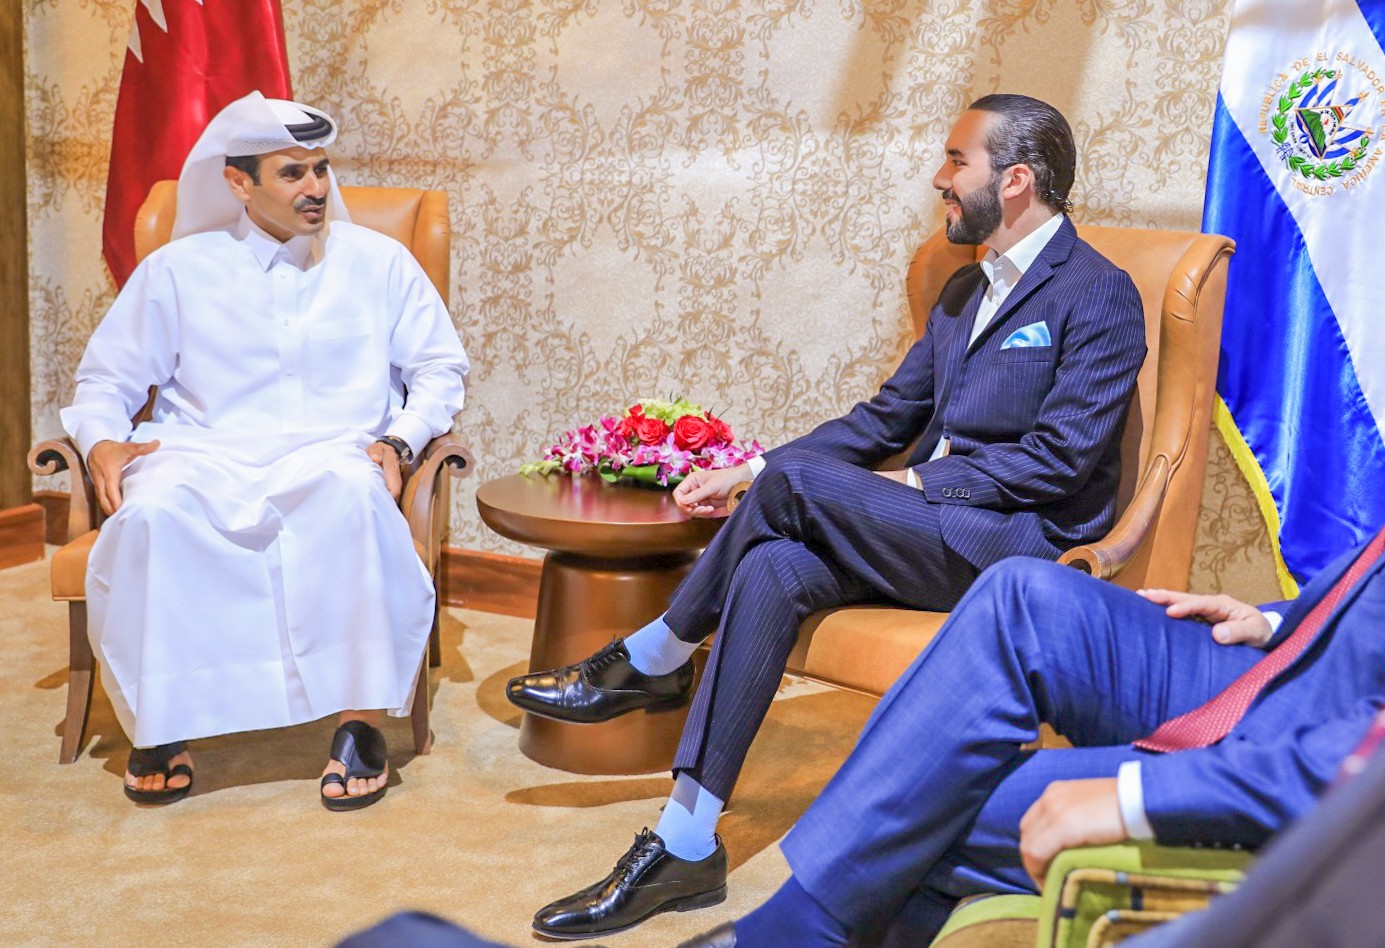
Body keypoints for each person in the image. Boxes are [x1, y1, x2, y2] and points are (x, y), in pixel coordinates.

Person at [511, 93, 1148, 939]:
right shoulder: (964, 290)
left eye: (956, 160)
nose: (939, 178)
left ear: (1016, 180)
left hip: (1017, 547)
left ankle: (656, 654)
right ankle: (685, 841)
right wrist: (746, 469)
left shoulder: (1099, 294)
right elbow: (883, 419)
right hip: (930, 534)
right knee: (772, 566)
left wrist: (916, 484)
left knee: (800, 486)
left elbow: (1059, 460)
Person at [672, 523, 1385, 947]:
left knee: (936, 794)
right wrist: (1277, 617)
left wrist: (1140, 795)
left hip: (1329, 767)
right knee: (1022, 594)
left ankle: (795, 931)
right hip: (1291, 669)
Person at [61, 92, 469, 811]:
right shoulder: (178, 270)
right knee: (152, 514)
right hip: (203, 453)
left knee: (353, 497)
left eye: (321, 169)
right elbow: (105, 380)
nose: (316, 187)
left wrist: (399, 440)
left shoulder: (378, 263)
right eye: (292, 173)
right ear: (238, 183)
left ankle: (359, 723)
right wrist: (102, 443)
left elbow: (439, 369)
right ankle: (162, 723)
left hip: (332, 451)